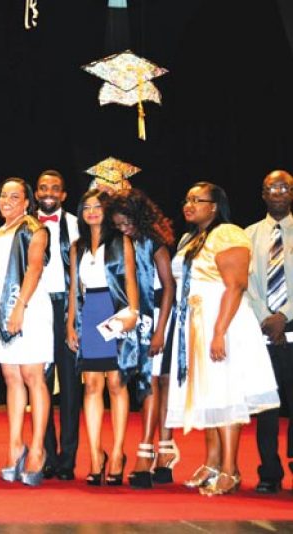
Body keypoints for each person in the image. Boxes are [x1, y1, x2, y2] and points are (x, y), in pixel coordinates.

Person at [167, 182, 279, 496]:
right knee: (209, 392)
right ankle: (213, 462)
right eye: (186, 199)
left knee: (227, 392)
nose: (188, 204)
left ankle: (231, 469)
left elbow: (235, 285)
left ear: (214, 206)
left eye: (196, 200)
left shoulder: (228, 233)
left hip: (222, 321)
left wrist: (219, 331)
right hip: (194, 323)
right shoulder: (191, 238)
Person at [66, 189, 139, 486]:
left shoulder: (122, 242)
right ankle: (96, 455)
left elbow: (131, 281)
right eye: (87, 206)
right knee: (92, 386)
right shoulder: (77, 247)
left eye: (98, 206)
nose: (92, 211)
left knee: (116, 383)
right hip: (89, 313)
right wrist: (71, 324)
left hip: (116, 310)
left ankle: (119, 453)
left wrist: (131, 315)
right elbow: (73, 291)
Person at [107, 189, 178, 488]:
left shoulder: (155, 242)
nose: (123, 228)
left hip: (160, 316)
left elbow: (169, 288)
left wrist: (160, 330)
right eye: (119, 224)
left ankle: (146, 452)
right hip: (135, 319)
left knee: (155, 381)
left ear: (138, 217)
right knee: (154, 383)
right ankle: (165, 451)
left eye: (127, 223)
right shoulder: (121, 244)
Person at [0, 178, 52, 487]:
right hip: (3, 312)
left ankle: (38, 449)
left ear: (27, 202)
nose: (8, 201)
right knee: (11, 378)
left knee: (32, 376)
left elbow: (35, 268)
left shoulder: (34, 228)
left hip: (29, 308)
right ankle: (15, 446)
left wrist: (20, 306)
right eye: (4, 195)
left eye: (15, 196)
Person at [245, 170, 293, 494]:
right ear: (262, 194)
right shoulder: (246, 235)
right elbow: (244, 285)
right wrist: (267, 317)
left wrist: (285, 316)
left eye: (284, 187)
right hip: (262, 335)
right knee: (266, 409)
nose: (277, 192)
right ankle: (269, 472)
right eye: (271, 187)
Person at [34, 170, 80, 481]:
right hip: (36, 306)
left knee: (71, 387)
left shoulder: (78, 225)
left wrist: (75, 318)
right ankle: (47, 454)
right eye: (43, 188)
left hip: (69, 306)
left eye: (55, 189)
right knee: (40, 384)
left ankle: (68, 458)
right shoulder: (23, 224)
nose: (49, 192)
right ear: (36, 193)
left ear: (63, 195)